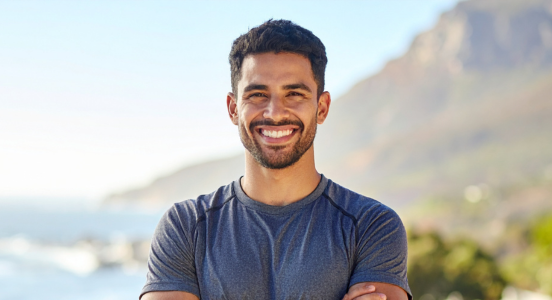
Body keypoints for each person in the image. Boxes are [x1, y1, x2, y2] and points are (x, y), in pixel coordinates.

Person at [140, 19, 411, 300]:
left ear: (322, 107)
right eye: (257, 94)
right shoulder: (185, 227)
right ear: (234, 109)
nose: (275, 112)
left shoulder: (372, 226)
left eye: (294, 94)